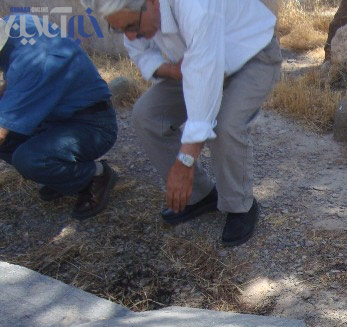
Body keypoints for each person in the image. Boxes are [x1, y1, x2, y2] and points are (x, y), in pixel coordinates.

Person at [84, 0, 282, 247]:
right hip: (197, 62)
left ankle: (240, 206)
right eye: (121, 29)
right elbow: (141, 51)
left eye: (133, 25)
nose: (131, 35)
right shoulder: (132, 12)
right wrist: (170, 70)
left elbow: (204, 86)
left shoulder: (195, 7)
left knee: (226, 126)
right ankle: (200, 195)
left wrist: (185, 161)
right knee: (146, 115)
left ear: (152, 3)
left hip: (250, 56)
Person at [0, 14, 118, 220]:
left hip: (91, 124)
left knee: (28, 159)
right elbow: (17, 88)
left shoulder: (33, 62)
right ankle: (63, 177)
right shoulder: (16, 24)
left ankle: (95, 174)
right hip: (55, 118)